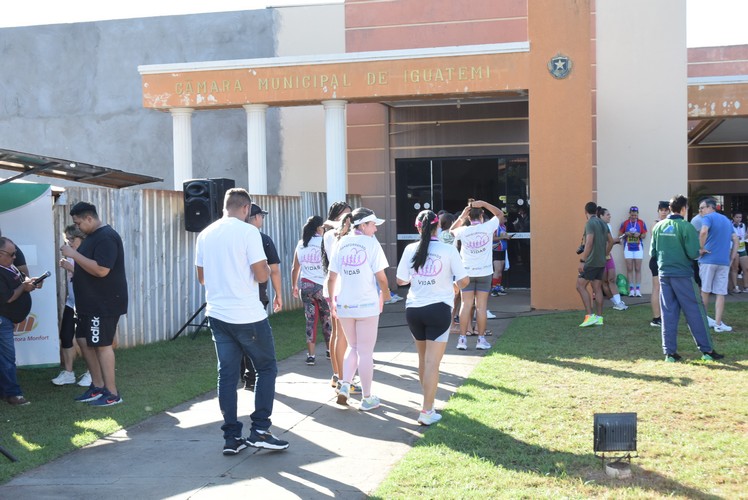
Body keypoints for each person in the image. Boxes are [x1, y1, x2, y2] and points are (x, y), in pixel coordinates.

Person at [195, 188, 289, 455]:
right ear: (247, 208)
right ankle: (260, 430)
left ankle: (231, 437)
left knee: (227, 375)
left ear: (225, 207)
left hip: (217, 313)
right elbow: (261, 276)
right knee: (266, 368)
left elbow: (202, 278)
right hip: (247, 314)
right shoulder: (249, 232)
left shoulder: (205, 233)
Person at [396, 210, 469, 425]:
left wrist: (419, 278)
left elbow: (400, 281)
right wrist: (453, 287)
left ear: (417, 228)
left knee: (423, 360)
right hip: (438, 309)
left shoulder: (410, 249)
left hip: (414, 310)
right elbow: (464, 280)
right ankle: (427, 410)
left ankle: (428, 405)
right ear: (438, 227)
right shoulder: (447, 250)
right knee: (432, 363)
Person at [61, 202, 128, 407]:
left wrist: (74, 255)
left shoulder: (107, 237)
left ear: (89, 218)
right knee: (84, 342)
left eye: (79, 223)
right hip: (87, 304)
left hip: (103, 304)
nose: (77, 227)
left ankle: (112, 394)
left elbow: (101, 270)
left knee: (101, 345)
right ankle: (97, 387)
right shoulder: (91, 237)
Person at [327, 207, 390, 411]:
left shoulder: (341, 242)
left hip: (345, 304)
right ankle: (367, 397)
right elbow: (381, 277)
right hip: (366, 305)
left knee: (353, 347)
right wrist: (386, 295)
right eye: (373, 225)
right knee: (365, 351)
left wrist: (332, 303)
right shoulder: (371, 244)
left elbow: (332, 277)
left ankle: (345, 384)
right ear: (363, 225)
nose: (376, 229)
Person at [650, 195, 723, 362]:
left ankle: (669, 354)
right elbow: (692, 252)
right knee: (695, 312)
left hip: (664, 275)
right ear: (683, 209)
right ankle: (707, 351)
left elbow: (652, 253)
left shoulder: (658, 226)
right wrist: (699, 251)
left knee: (668, 313)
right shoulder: (686, 226)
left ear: (670, 208)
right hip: (682, 275)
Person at [450, 199, 504, 350]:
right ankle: (481, 340)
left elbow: (450, 233)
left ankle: (462, 339)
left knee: (465, 305)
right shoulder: (487, 227)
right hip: (485, 272)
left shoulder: (463, 230)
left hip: (466, 272)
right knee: (481, 307)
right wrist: (485, 204)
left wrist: (461, 217)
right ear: (481, 216)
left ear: (468, 217)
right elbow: (500, 213)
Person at [240, 202, 282, 391]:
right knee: (253, 338)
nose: (262, 219)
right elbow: (274, 270)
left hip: (235, 296)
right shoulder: (263, 239)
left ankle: (243, 376)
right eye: (261, 216)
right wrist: (278, 294)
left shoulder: (234, 237)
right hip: (256, 296)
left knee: (236, 339)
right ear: (255, 217)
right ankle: (250, 377)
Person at [0, 237, 45, 406]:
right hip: (2, 320)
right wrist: (23, 287)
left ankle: (6, 391)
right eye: (11, 255)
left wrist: (30, 282)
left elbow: (19, 284)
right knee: (7, 357)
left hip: (6, 319)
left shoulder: (8, 267)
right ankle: (13, 394)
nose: (14, 258)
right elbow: (9, 297)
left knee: (5, 358)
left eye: (15, 254)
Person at [321, 201, 357, 392]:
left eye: (351, 216)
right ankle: (344, 380)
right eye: (346, 216)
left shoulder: (338, 234)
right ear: (336, 217)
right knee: (340, 335)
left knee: (338, 334)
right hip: (338, 290)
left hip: (337, 289)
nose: (350, 220)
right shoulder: (332, 236)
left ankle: (338, 376)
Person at [51, 225, 92, 387]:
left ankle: (92, 373)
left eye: (72, 239)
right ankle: (68, 373)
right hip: (71, 302)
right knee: (66, 335)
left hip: (87, 304)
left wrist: (72, 268)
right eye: (66, 239)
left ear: (82, 238)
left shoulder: (88, 254)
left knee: (89, 340)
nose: (69, 242)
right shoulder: (69, 254)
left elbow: (93, 277)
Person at [291, 215, 331, 366]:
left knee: (310, 320)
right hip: (321, 286)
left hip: (306, 286)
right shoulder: (323, 242)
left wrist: (294, 286)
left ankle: (311, 355)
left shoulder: (301, 244)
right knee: (326, 319)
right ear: (319, 228)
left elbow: (295, 267)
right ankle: (329, 351)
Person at [697, 197, 738, 333]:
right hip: (723, 261)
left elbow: (703, 231)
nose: (700, 211)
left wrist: (701, 248)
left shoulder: (708, 218)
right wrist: (731, 257)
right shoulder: (726, 220)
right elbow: (736, 239)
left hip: (708, 260)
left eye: (702, 208)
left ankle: (702, 321)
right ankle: (718, 324)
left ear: (710, 207)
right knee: (720, 292)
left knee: (705, 290)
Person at [576, 202, 614, 327]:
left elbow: (589, 242)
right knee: (597, 288)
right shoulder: (603, 223)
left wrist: (583, 261)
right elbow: (611, 241)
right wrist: (605, 254)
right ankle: (599, 317)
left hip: (591, 262)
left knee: (580, 286)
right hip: (601, 261)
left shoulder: (590, 223)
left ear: (585, 212)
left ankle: (589, 316)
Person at [596, 206, 626, 310]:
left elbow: (610, 241)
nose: (610, 216)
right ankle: (615, 303)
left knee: (612, 279)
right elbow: (603, 242)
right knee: (604, 281)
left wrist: (616, 241)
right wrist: (615, 240)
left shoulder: (608, 226)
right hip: (600, 256)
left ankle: (619, 302)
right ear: (601, 216)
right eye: (607, 214)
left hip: (608, 255)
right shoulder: (597, 226)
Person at [648, 201, 670, 327]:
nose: (663, 212)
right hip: (657, 260)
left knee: (665, 290)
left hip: (667, 260)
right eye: (661, 210)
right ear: (658, 211)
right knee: (657, 289)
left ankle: (664, 315)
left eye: (666, 210)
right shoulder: (656, 224)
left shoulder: (670, 224)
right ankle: (656, 318)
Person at [618, 206, 647, 297]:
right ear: (629, 214)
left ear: (637, 214)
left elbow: (644, 235)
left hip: (638, 248)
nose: (634, 217)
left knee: (638, 269)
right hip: (628, 248)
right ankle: (631, 289)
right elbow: (619, 235)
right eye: (632, 215)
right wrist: (626, 234)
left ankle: (637, 289)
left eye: (635, 215)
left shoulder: (641, 223)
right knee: (629, 269)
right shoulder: (625, 223)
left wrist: (639, 235)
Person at [490, 214, 510, 297]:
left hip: (502, 250)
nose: (505, 220)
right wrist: (502, 238)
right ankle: (493, 289)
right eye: (504, 219)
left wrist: (507, 237)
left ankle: (498, 287)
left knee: (500, 270)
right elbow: (492, 238)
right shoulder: (495, 227)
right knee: (497, 270)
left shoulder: (503, 226)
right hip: (496, 250)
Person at [729, 211, 748, 294]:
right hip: (733, 249)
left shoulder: (743, 225)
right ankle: (735, 287)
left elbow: (744, 236)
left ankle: (746, 287)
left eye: (740, 217)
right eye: (737, 217)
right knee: (735, 269)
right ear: (733, 217)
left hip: (742, 248)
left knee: (746, 269)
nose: (738, 219)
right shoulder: (729, 225)